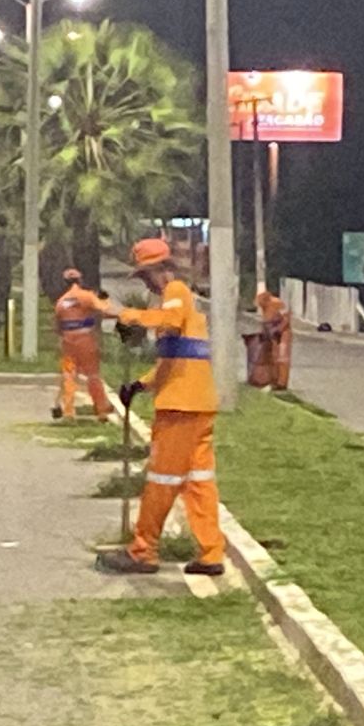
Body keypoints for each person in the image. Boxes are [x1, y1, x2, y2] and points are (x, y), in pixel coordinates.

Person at [96, 239, 226, 577]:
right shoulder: (182, 299)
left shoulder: (175, 291)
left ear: (160, 269)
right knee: (199, 482)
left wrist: (123, 314)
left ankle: (143, 551)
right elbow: (175, 360)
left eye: (145, 276)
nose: (145, 283)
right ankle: (211, 553)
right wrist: (140, 384)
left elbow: (166, 320)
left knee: (161, 479)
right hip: (197, 402)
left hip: (180, 407)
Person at [51, 268, 116, 422]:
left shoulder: (61, 302)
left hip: (68, 340)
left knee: (69, 374)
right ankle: (101, 411)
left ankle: (68, 412)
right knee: (93, 375)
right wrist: (105, 300)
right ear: (80, 281)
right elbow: (105, 310)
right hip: (86, 339)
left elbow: (57, 325)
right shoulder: (86, 296)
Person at [253, 289, 292, 390]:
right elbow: (266, 322)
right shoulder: (265, 308)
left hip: (283, 333)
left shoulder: (277, 303)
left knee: (282, 358)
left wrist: (279, 330)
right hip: (272, 333)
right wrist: (263, 334)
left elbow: (286, 318)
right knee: (273, 358)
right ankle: (274, 380)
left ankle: (282, 383)